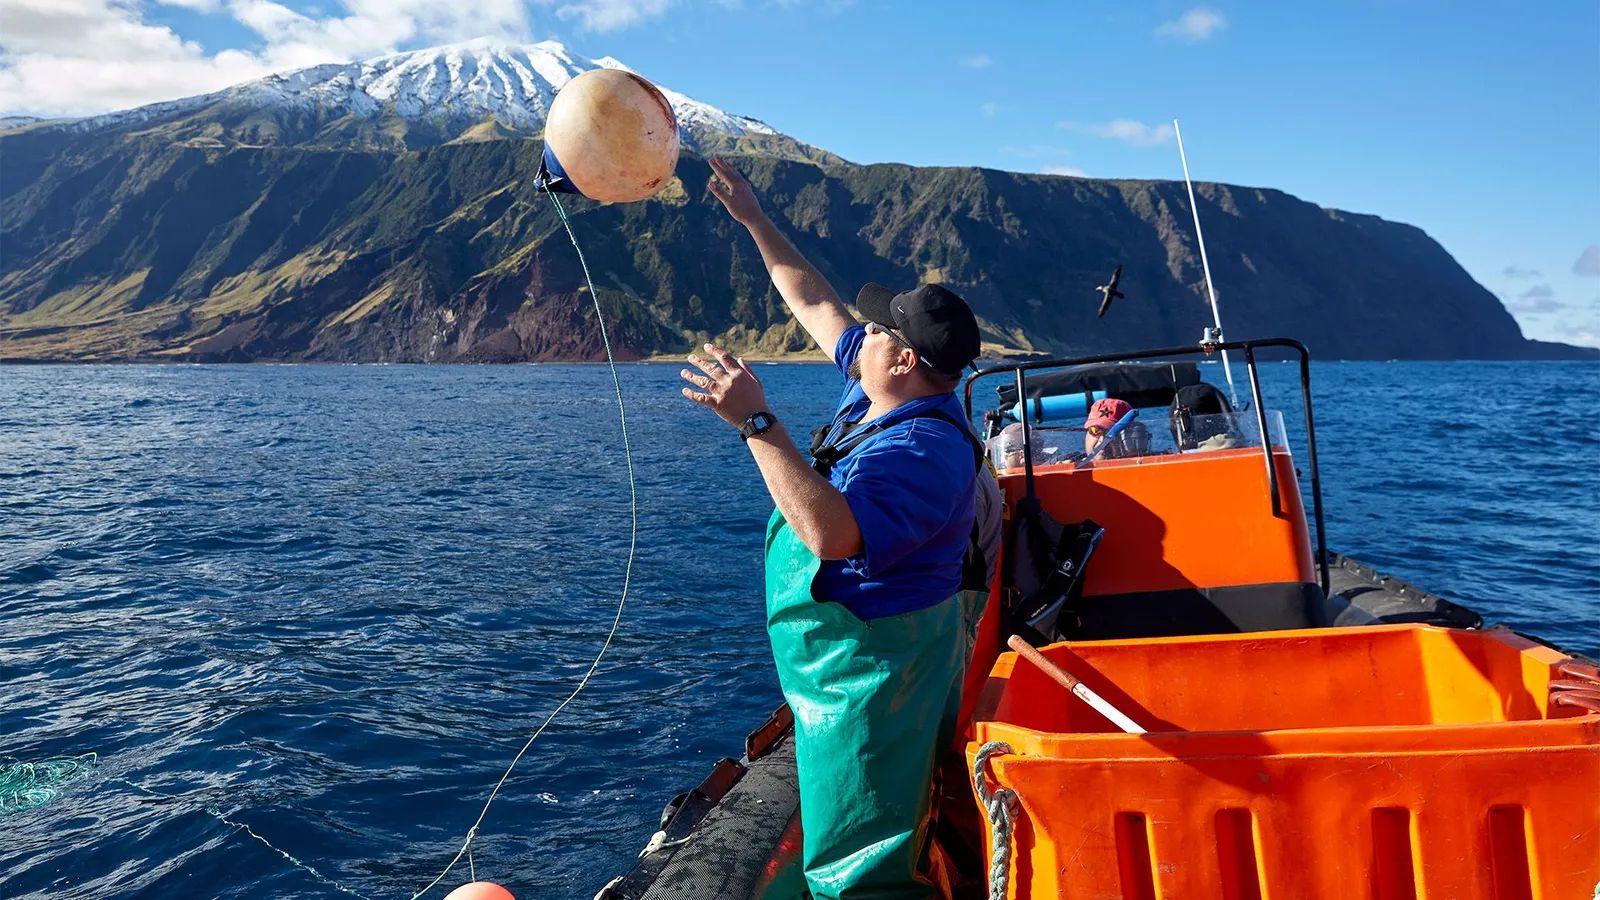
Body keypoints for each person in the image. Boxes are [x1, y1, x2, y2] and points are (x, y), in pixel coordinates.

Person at [680, 157, 984, 899]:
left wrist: (755, 422)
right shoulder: (878, 389)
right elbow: (813, 299)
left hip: (875, 672)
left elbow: (834, 537)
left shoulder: (924, 449)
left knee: (862, 861)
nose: (861, 332)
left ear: (903, 358)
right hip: (842, 657)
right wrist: (754, 217)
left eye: (877, 329)